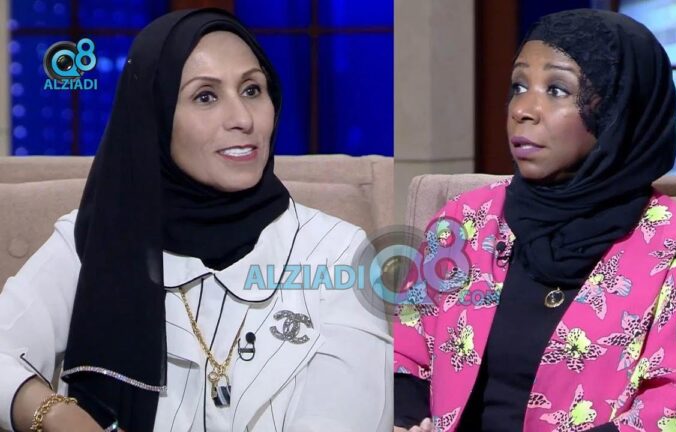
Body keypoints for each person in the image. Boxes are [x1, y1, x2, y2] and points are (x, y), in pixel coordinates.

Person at [0, 8, 391, 432]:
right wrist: (56, 413)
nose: (242, 119)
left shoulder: (338, 254)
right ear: (155, 114)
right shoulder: (94, 239)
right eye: (205, 96)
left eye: (252, 89)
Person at [393, 9, 676, 432]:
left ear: (617, 109)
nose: (523, 110)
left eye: (557, 90)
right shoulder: (465, 221)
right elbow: (405, 352)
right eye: (519, 86)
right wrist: (403, 421)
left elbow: (672, 414)